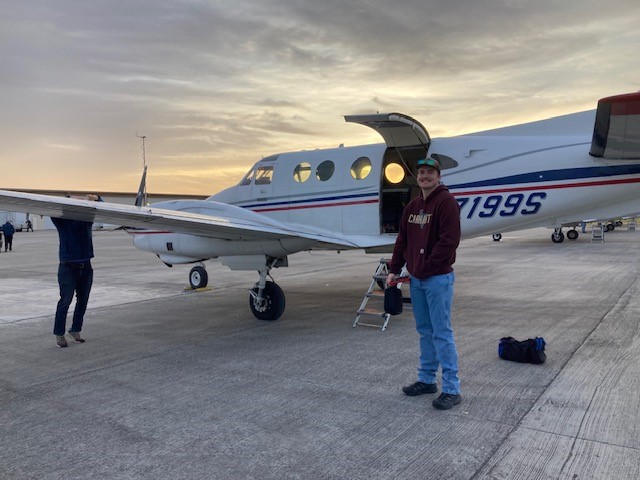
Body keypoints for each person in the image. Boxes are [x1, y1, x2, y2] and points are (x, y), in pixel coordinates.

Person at [386, 157, 462, 410]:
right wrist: (394, 269)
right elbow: (402, 241)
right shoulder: (412, 207)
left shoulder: (446, 202)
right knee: (425, 332)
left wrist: (425, 268)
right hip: (417, 279)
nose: (425, 176)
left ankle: (452, 388)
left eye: (430, 172)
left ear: (439, 177)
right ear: (416, 177)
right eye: (421, 172)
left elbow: (449, 241)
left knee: (442, 333)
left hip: (437, 278)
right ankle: (427, 380)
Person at [51, 194, 101, 348]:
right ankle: (59, 334)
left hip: (86, 266)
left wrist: (96, 197)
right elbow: (53, 207)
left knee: (83, 301)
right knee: (65, 301)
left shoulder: (87, 218)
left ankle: (75, 330)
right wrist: (68, 199)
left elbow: (101, 205)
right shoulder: (62, 220)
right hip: (68, 267)